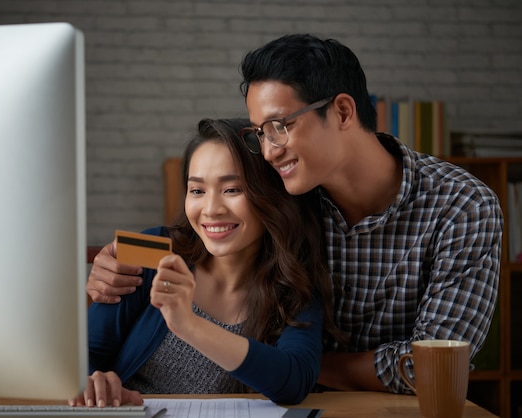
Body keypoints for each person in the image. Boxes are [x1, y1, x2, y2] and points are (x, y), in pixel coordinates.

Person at [86, 35, 502, 394]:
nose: (268, 151)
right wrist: (108, 260)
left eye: (280, 126)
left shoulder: (462, 206)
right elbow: (167, 239)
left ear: (342, 111)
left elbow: (432, 367)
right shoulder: (284, 190)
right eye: (260, 133)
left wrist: (291, 368)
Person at [73, 118, 341, 407]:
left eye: (232, 189)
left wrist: (189, 325)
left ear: (271, 196)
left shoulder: (293, 285)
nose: (211, 210)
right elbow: (86, 355)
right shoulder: (151, 248)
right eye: (197, 191)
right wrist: (92, 382)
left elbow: (295, 380)